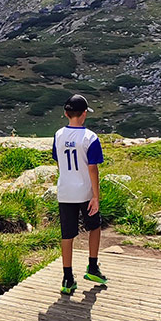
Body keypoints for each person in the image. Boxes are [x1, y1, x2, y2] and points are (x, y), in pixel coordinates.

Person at [52, 93, 107, 294]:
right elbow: (93, 168)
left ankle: (67, 277)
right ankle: (92, 266)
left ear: (66, 113)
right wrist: (96, 196)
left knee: (67, 234)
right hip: (84, 191)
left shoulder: (58, 135)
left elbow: (58, 161)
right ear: (84, 114)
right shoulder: (90, 138)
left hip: (65, 192)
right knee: (94, 226)